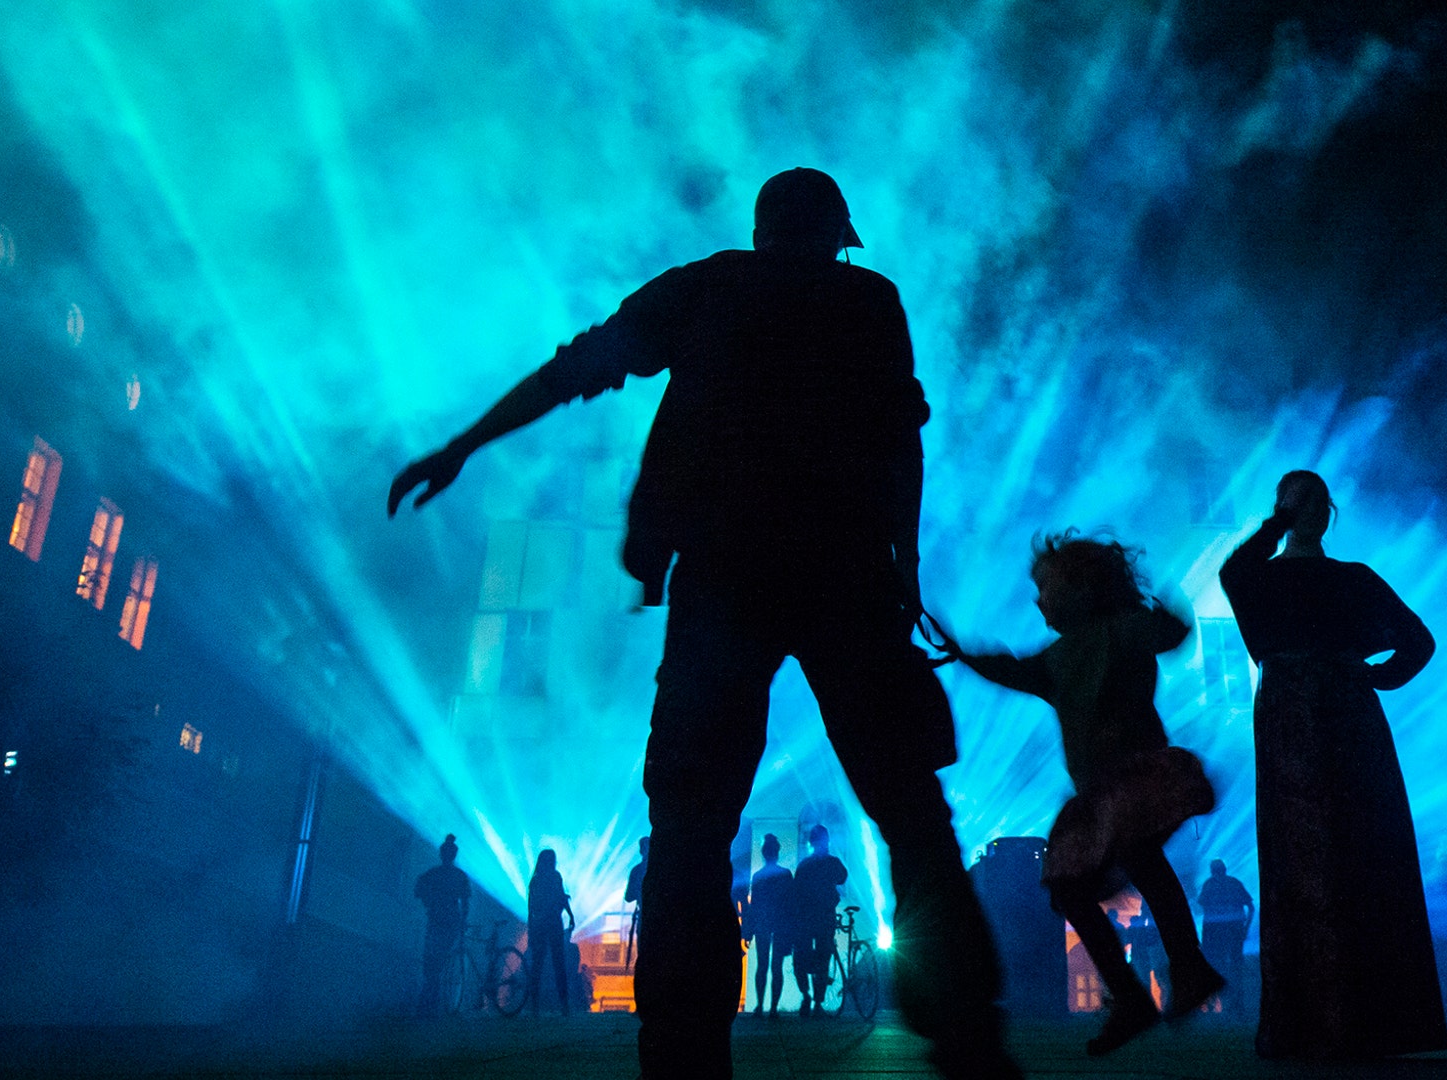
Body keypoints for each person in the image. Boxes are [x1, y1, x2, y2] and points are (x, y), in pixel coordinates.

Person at [388, 168, 1016, 1079]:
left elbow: (577, 368)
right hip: (845, 575)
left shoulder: (709, 286)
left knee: (688, 823)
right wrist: (903, 570)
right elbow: (899, 438)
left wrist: (462, 447)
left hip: (726, 570)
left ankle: (682, 1057)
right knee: (911, 809)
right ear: (837, 234)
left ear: (763, 229)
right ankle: (966, 1035)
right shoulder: (869, 298)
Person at [947, 533, 1224, 1055]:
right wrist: (963, 654)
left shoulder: (1117, 632)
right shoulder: (1059, 657)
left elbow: (1166, 634)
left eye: (1047, 587)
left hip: (1132, 778)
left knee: (1134, 860)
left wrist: (1169, 614)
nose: (1040, 599)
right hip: (1102, 791)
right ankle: (1146, 988)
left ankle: (1178, 973)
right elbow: (1013, 668)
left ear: (1083, 588)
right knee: (1075, 885)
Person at [1220, 470, 1447, 1060]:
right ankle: (1347, 1019)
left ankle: (1339, 1020)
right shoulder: (1323, 579)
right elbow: (1416, 643)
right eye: (1302, 504)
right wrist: (1374, 675)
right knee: (1331, 853)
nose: (1310, 512)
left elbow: (1418, 642)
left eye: (1312, 502)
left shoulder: (1344, 578)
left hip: (1313, 710)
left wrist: (1374, 676)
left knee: (1342, 851)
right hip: (1321, 712)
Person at [790, 825, 848, 1013]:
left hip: (805, 918)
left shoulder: (804, 865)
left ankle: (806, 996)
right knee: (824, 957)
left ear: (811, 842)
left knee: (801, 957)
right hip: (825, 917)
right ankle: (818, 1002)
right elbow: (842, 877)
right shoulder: (832, 862)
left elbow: (796, 892)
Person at [413, 833, 472, 1015]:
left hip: (439, 921)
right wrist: (462, 922)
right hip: (448, 922)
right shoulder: (458, 876)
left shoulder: (434, 874)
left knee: (433, 962)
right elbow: (465, 903)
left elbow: (418, 891)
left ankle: (429, 1003)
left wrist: (429, 902)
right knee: (438, 962)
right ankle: (431, 1003)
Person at [746, 834, 794, 1015]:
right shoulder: (785, 875)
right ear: (777, 853)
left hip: (763, 925)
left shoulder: (758, 876)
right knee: (777, 966)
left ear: (764, 853)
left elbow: (754, 905)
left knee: (762, 965)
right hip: (781, 926)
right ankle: (773, 1007)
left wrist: (748, 930)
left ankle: (759, 1005)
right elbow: (791, 904)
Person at [526, 848, 576, 1016]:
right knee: (558, 964)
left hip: (540, 923)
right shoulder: (555, 876)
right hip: (553, 923)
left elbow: (531, 907)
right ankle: (564, 1005)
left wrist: (531, 928)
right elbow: (561, 897)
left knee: (538, 964)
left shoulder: (536, 880)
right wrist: (570, 914)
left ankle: (534, 1006)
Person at [1196, 859, 1254, 981]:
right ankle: (1238, 991)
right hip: (1235, 928)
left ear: (1212, 871)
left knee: (1219, 963)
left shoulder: (1209, 884)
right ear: (1225, 869)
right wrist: (1246, 928)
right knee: (1236, 962)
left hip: (1215, 931)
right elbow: (1251, 907)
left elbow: (1201, 904)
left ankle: (1226, 992)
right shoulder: (1235, 883)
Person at [624, 835, 649, 965]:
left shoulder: (637, 870)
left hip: (644, 918)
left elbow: (628, 897)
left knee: (644, 957)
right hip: (662, 919)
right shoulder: (664, 869)